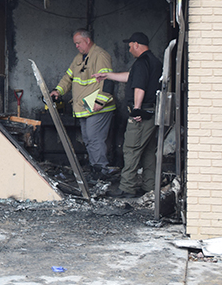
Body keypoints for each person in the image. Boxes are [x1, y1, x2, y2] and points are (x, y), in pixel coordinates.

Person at [93, 31, 163, 198]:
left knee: (130, 149)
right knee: (147, 151)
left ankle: (127, 188)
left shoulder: (141, 63)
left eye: (130, 45)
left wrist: (137, 109)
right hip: (152, 112)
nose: (130, 49)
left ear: (137, 44)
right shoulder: (153, 62)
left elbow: (139, 86)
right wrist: (107, 75)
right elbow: (131, 78)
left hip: (141, 113)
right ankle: (149, 186)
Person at [50, 28, 116, 178]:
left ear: (87, 40)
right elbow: (68, 77)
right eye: (75, 43)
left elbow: (108, 79)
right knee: (88, 139)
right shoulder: (79, 58)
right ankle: (96, 168)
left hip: (98, 106)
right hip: (85, 106)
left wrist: (100, 101)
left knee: (94, 138)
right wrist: (58, 91)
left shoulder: (100, 55)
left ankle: (101, 170)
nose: (77, 46)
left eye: (78, 43)